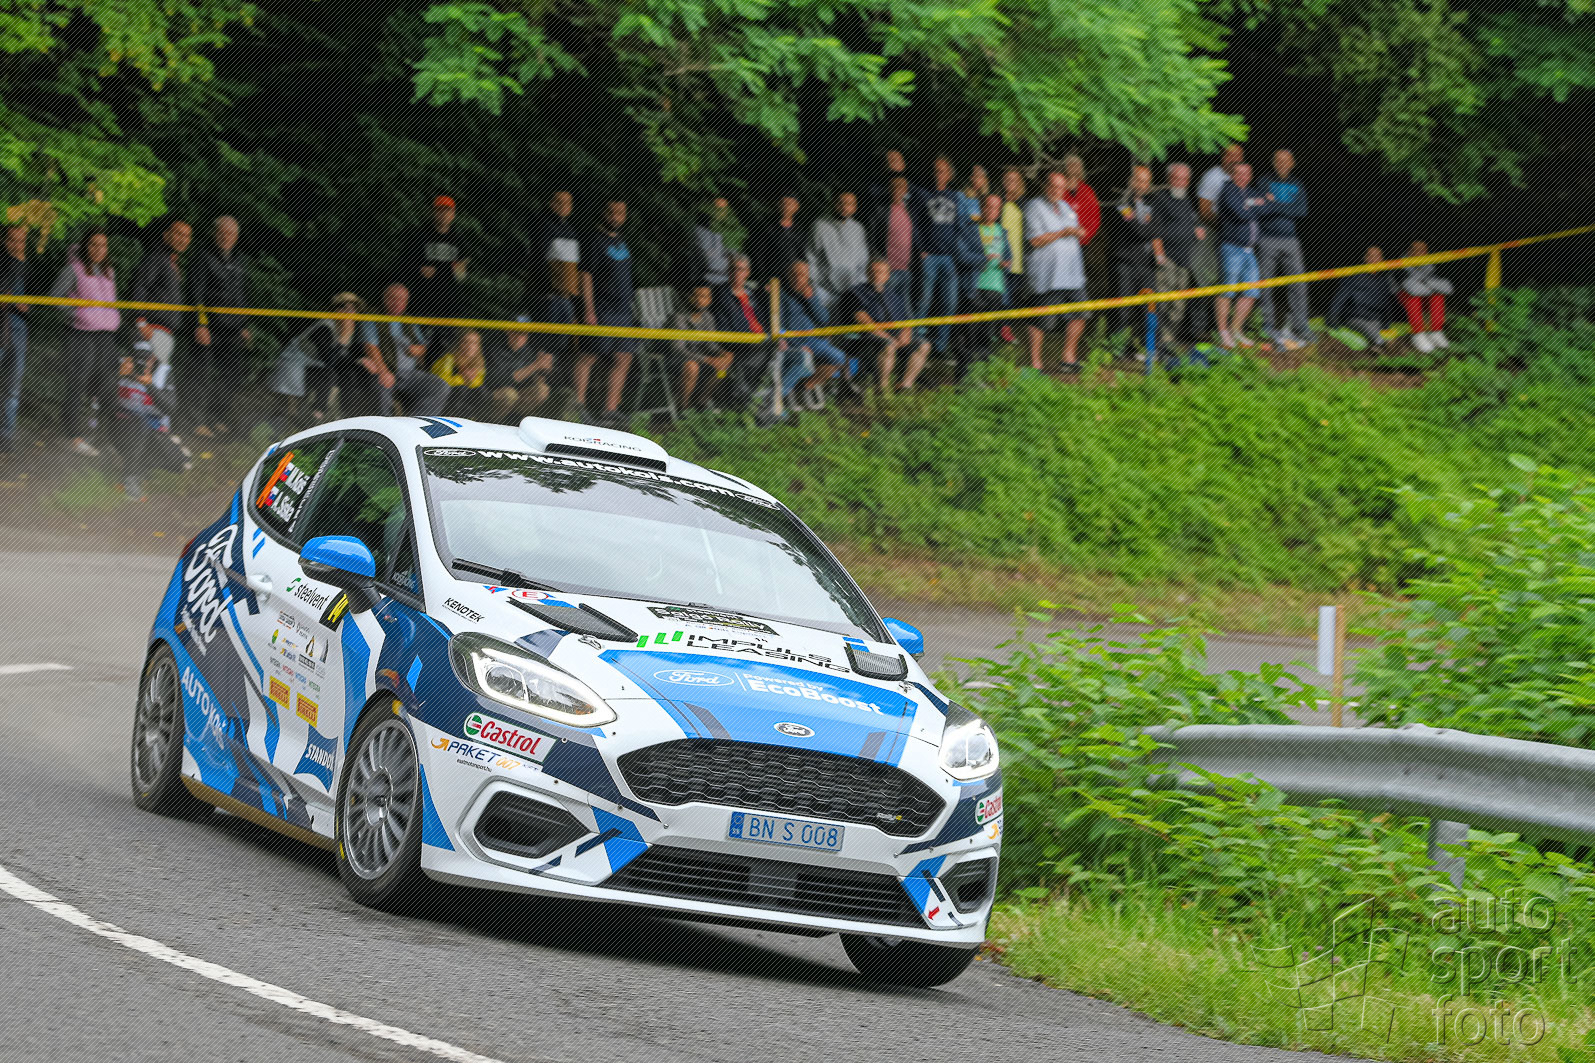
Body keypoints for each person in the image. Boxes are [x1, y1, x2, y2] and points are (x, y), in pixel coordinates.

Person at [49, 229, 121, 456]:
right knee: (77, 383)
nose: (98, 250)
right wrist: (78, 314)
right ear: (85, 246)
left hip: (105, 336)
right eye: (93, 244)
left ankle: (102, 436)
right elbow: (54, 298)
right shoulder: (74, 269)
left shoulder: (109, 272)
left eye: (103, 245)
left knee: (106, 385)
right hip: (81, 335)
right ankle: (72, 435)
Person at [188, 215, 252, 436]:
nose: (226, 237)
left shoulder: (239, 260)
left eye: (231, 233)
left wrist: (243, 324)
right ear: (215, 233)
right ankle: (196, 422)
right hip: (209, 327)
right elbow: (195, 294)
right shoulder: (203, 256)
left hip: (232, 328)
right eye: (222, 232)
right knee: (201, 374)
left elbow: (240, 295)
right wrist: (200, 324)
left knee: (233, 374)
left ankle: (215, 417)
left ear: (237, 237)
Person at [576, 199, 637, 424]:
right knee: (589, 355)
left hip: (623, 311)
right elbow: (585, 275)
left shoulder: (622, 240)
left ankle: (610, 409)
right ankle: (577, 406)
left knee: (624, 357)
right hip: (602, 308)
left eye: (620, 213)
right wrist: (589, 309)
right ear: (604, 213)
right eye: (612, 212)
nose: (616, 217)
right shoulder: (594, 239)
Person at [1023, 170, 1089, 371]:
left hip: (1072, 275)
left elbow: (1075, 231)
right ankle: (1035, 365)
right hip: (1048, 275)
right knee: (1042, 320)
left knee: (1081, 314)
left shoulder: (1066, 207)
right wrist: (1063, 232)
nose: (1056, 190)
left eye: (1060, 187)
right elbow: (1034, 240)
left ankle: (1068, 359)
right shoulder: (1034, 206)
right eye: (1052, 185)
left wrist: (1078, 231)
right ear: (1045, 186)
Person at [358, 282, 450, 416]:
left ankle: (416, 423)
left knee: (439, 386)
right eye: (393, 298)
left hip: (409, 373)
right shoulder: (374, 317)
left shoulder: (408, 321)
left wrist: (417, 350)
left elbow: (423, 347)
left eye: (402, 299)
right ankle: (384, 425)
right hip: (386, 370)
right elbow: (370, 346)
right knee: (381, 386)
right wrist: (383, 371)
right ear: (385, 299)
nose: (397, 303)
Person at [111, 341, 189, 499]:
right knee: (140, 423)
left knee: (178, 462)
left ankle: (140, 466)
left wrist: (150, 386)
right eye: (137, 359)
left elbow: (170, 408)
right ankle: (130, 477)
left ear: (153, 358)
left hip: (152, 430)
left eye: (146, 359)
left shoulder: (163, 372)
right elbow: (100, 399)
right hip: (121, 425)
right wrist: (117, 375)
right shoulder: (120, 366)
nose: (142, 363)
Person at [844, 257, 931, 392]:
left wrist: (906, 333)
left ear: (887, 275)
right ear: (867, 273)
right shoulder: (855, 293)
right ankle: (882, 389)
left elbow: (906, 320)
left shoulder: (892, 295)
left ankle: (904, 386)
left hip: (896, 339)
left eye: (881, 272)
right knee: (888, 345)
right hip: (868, 339)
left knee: (924, 345)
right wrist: (889, 338)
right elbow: (865, 322)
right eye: (873, 271)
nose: (876, 275)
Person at [910, 155, 966, 358]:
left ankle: (941, 347)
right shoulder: (923, 195)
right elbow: (914, 224)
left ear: (949, 174)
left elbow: (961, 226)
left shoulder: (956, 197)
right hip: (930, 257)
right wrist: (921, 250)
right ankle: (916, 342)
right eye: (935, 170)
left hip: (948, 258)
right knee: (923, 301)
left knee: (949, 302)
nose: (937, 174)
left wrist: (956, 250)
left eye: (942, 171)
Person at [1256, 149, 1311, 349]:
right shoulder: (1264, 181)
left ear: (1292, 163)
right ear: (1273, 162)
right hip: (1266, 238)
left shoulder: (1298, 184)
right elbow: (1262, 208)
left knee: (1298, 282)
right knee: (1265, 283)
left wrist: (1275, 204)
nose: (1282, 163)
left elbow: (1302, 211)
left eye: (1286, 160)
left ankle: (1300, 326)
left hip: (1291, 240)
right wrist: (1285, 207)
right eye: (1278, 160)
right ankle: (1267, 325)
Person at [711, 253, 778, 416]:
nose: (736, 273)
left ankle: (754, 396)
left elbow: (761, 318)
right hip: (735, 340)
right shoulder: (721, 293)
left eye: (741, 270)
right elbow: (729, 323)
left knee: (777, 346)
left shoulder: (750, 293)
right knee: (769, 349)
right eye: (733, 269)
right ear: (728, 271)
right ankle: (744, 397)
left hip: (758, 340)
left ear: (747, 273)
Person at [1148, 162, 1205, 348]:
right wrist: (1159, 255)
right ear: (1169, 178)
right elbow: (1155, 230)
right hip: (1167, 259)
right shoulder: (1161, 199)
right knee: (1162, 304)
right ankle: (1153, 344)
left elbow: (1189, 223)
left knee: (1178, 307)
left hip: (1185, 260)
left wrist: (1196, 230)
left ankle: (1167, 342)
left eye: (1185, 179)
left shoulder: (1186, 199)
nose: (1181, 182)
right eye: (1177, 178)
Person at [955, 192, 1011, 378]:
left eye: (995, 207)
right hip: (975, 288)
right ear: (982, 207)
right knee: (969, 334)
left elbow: (1009, 257)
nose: (991, 210)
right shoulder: (970, 230)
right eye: (988, 206)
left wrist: (1006, 263)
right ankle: (963, 379)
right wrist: (983, 259)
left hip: (996, 289)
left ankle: (982, 379)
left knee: (987, 335)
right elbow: (961, 256)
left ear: (998, 211)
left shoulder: (1002, 231)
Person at [1214, 162, 1269, 348]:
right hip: (1232, 248)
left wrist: (1251, 205)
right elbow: (1240, 214)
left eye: (1246, 173)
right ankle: (1222, 332)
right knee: (1227, 290)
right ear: (1232, 174)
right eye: (1238, 173)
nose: (1242, 176)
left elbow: (1268, 208)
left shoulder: (1251, 191)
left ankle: (1236, 331)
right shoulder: (1228, 190)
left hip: (1249, 250)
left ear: (1250, 175)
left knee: (1251, 292)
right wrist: (1257, 205)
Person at [778, 260, 847, 408]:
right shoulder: (781, 293)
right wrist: (785, 339)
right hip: (793, 341)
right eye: (794, 274)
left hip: (813, 340)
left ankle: (805, 386)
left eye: (802, 275)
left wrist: (812, 300)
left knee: (840, 358)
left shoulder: (811, 292)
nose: (798, 278)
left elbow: (824, 320)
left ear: (807, 276)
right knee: (804, 358)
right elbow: (778, 324)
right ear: (788, 275)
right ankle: (781, 396)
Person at [1107, 164, 1158, 349]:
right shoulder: (1123, 203)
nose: (1142, 184)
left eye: (1146, 181)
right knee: (1123, 308)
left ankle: (1147, 347)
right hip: (1125, 263)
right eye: (1139, 180)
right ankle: (1117, 347)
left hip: (1146, 263)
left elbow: (1158, 228)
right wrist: (1151, 228)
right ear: (1131, 181)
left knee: (1150, 306)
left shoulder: (1151, 204)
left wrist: (1151, 228)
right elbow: (1139, 231)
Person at [528, 190, 580, 367]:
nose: (564, 206)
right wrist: (545, 290)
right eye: (559, 202)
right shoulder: (542, 224)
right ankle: (538, 378)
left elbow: (572, 267)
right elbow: (538, 260)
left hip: (566, 297)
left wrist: (573, 295)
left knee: (561, 344)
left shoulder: (570, 230)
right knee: (545, 343)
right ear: (551, 203)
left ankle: (552, 378)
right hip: (548, 296)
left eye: (568, 203)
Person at [1195, 144, 1243, 334]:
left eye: (1238, 155)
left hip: (1232, 239)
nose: (1234, 159)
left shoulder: (1240, 177)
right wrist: (1225, 224)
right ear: (1223, 157)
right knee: (1204, 278)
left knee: (1226, 280)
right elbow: (1204, 210)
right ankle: (1198, 330)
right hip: (1212, 234)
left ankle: (1221, 328)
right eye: (1230, 155)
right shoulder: (1213, 176)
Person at [129, 218, 191, 365]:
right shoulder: (156, 256)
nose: (183, 239)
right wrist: (141, 322)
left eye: (187, 236)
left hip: (164, 332)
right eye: (178, 234)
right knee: (144, 376)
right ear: (166, 235)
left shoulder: (172, 261)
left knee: (158, 377)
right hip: (151, 329)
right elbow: (140, 286)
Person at [407, 194, 469, 329]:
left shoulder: (459, 239)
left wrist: (461, 271)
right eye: (440, 210)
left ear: (453, 214)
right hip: (423, 298)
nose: (444, 214)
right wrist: (419, 269)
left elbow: (462, 274)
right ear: (434, 212)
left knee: (447, 337)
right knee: (422, 336)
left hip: (449, 300)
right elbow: (405, 264)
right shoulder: (420, 235)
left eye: (448, 211)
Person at [668, 283, 733, 410]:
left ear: (709, 300)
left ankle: (701, 401)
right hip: (673, 360)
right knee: (691, 366)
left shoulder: (708, 317)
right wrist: (708, 359)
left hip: (699, 359)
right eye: (696, 296)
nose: (699, 300)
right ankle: (683, 407)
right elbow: (678, 350)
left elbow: (710, 345)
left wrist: (723, 353)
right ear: (689, 297)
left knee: (725, 361)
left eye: (704, 296)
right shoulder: (678, 318)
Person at [1326, 247, 1399, 348]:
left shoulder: (1384, 278)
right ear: (1365, 258)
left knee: (1393, 340)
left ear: (1382, 259)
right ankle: (1377, 349)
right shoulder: (1355, 275)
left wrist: (1386, 326)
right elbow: (1340, 297)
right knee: (1379, 339)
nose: (1374, 259)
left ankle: (1383, 349)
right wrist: (1332, 318)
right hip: (1356, 317)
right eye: (1371, 256)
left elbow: (1387, 304)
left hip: (1375, 318)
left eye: (1377, 256)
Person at [807, 191, 868, 309]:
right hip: (825, 292)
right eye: (841, 203)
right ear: (834, 203)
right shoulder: (819, 226)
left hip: (852, 292)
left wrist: (861, 288)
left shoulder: (858, 229)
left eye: (849, 204)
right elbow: (811, 257)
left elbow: (863, 261)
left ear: (855, 207)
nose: (845, 207)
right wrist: (814, 285)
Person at [485, 318, 554, 422]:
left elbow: (539, 378)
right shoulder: (495, 348)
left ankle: (519, 421)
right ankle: (492, 422)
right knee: (509, 395)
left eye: (523, 333)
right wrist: (535, 366)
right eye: (515, 332)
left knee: (542, 390)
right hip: (493, 396)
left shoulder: (530, 351)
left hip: (518, 396)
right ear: (508, 331)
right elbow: (501, 380)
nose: (519, 337)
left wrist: (544, 372)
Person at [865, 175, 916, 309]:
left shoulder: (909, 210)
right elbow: (871, 238)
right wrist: (879, 263)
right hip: (888, 271)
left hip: (906, 270)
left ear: (906, 190)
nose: (897, 190)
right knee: (886, 309)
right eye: (894, 187)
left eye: (901, 187)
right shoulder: (880, 210)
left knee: (905, 311)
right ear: (889, 189)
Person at [0, 225, 28, 453]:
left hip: (20, 327)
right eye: (12, 240)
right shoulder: (3, 262)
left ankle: (7, 436)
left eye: (21, 240)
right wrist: (12, 301)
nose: (17, 245)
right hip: (3, 325)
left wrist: (23, 305)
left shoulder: (28, 265)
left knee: (13, 384)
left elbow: (32, 301)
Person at [1400, 240, 1453, 351]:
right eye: (1417, 250)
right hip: (1404, 296)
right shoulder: (1400, 264)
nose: (1421, 252)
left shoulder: (1431, 261)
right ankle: (1418, 334)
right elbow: (1409, 286)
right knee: (1413, 296)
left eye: (1423, 250)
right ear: (1409, 251)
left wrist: (1430, 285)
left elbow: (1445, 286)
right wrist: (1429, 284)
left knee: (1438, 295)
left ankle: (1436, 331)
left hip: (1424, 293)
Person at [430, 329, 492, 419]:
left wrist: (470, 379)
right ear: (459, 344)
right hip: (443, 395)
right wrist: (462, 377)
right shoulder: (449, 358)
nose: (470, 346)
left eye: (474, 343)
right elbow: (442, 382)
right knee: (461, 389)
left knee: (482, 391)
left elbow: (479, 382)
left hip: (465, 394)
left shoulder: (479, 361)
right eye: (466, 342)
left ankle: (478, 419)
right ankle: (453, 418)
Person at [752, 193, 803, 284]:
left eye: (789, 204)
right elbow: (758, 253)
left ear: (796, 207)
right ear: (778, 205)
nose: (786, 207)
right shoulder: (766, 227)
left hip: (795, 278)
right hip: (773, 278)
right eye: (783, 203)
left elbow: (802, 255)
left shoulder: (799, 230)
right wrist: (763, 278)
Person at [692, 195, 736, 286]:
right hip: (708, 281)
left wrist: (732, 258)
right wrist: (732, 264)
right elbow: (711, 263)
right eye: (719, 209)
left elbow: (732, 254)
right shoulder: (700, 231)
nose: (724, 212)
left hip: (724, 280)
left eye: (725, 209)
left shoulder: (717, 232)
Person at [1061, 155, 1101, 248]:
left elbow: (1095, 216)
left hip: (1082, 241)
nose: (1073, 167)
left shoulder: (1087, 190)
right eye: (1070, 164)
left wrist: (1087, 234)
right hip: (1060, 240)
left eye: (1076, 165)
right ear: (1064, 167)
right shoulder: (1058, 188)